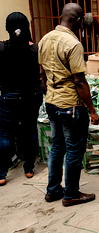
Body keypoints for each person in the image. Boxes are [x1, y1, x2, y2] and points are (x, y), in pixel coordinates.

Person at [39, 3, 99, 207]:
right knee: (74, 149)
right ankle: (71, 193)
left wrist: (50, 94)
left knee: (57, 147)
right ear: (78, 20)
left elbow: (42, 74)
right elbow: (80, 81)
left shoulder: (45, 39)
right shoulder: (73, 44)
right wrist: (91, 110)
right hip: (70, 104)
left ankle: (53, 190)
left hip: (52, 102)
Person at [0, 12, 43, 186]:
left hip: (8, 96)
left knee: (4, 134)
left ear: (7, 28)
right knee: (29, 131)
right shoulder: (34, 49)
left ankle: (2, 173)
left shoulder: (1, 48)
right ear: (27, 26)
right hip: (30, 96)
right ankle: (29, 168)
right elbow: (41, 72)